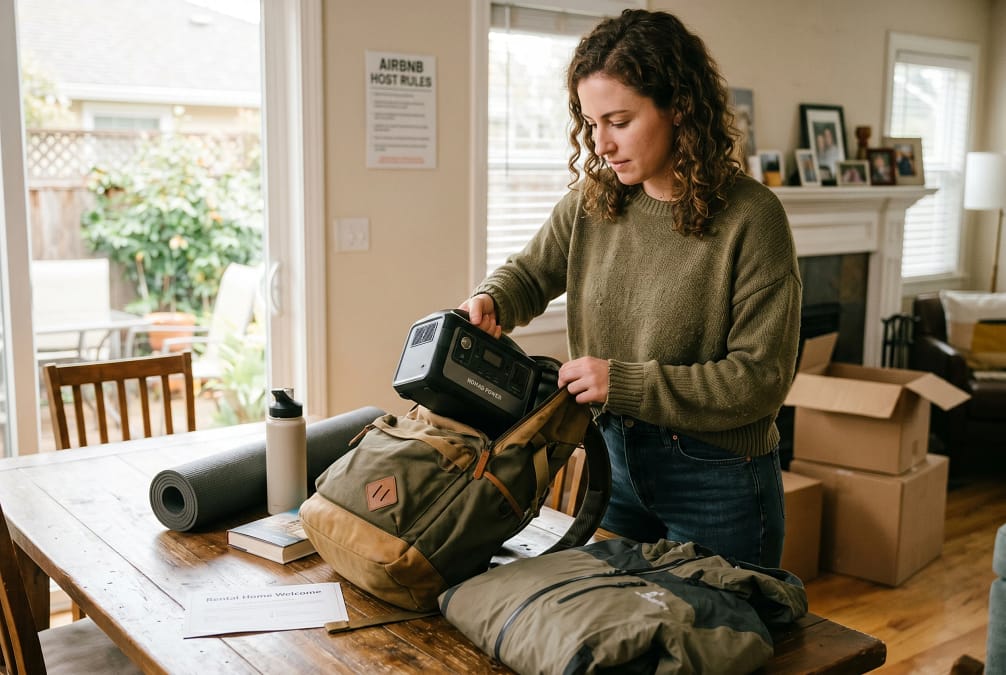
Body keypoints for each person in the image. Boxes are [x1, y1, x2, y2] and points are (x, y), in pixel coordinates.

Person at [459, 8, 802, 568]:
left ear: (679, 109)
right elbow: (529, 273)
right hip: (613, 464)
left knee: (721, 650)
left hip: (718, 481)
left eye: (618, 121)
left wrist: (623, 382)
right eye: (591, 124)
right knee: (627, 641)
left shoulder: (751, 218)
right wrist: (491, 298)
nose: (601, 144)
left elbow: (761, 380)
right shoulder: (595, 200)